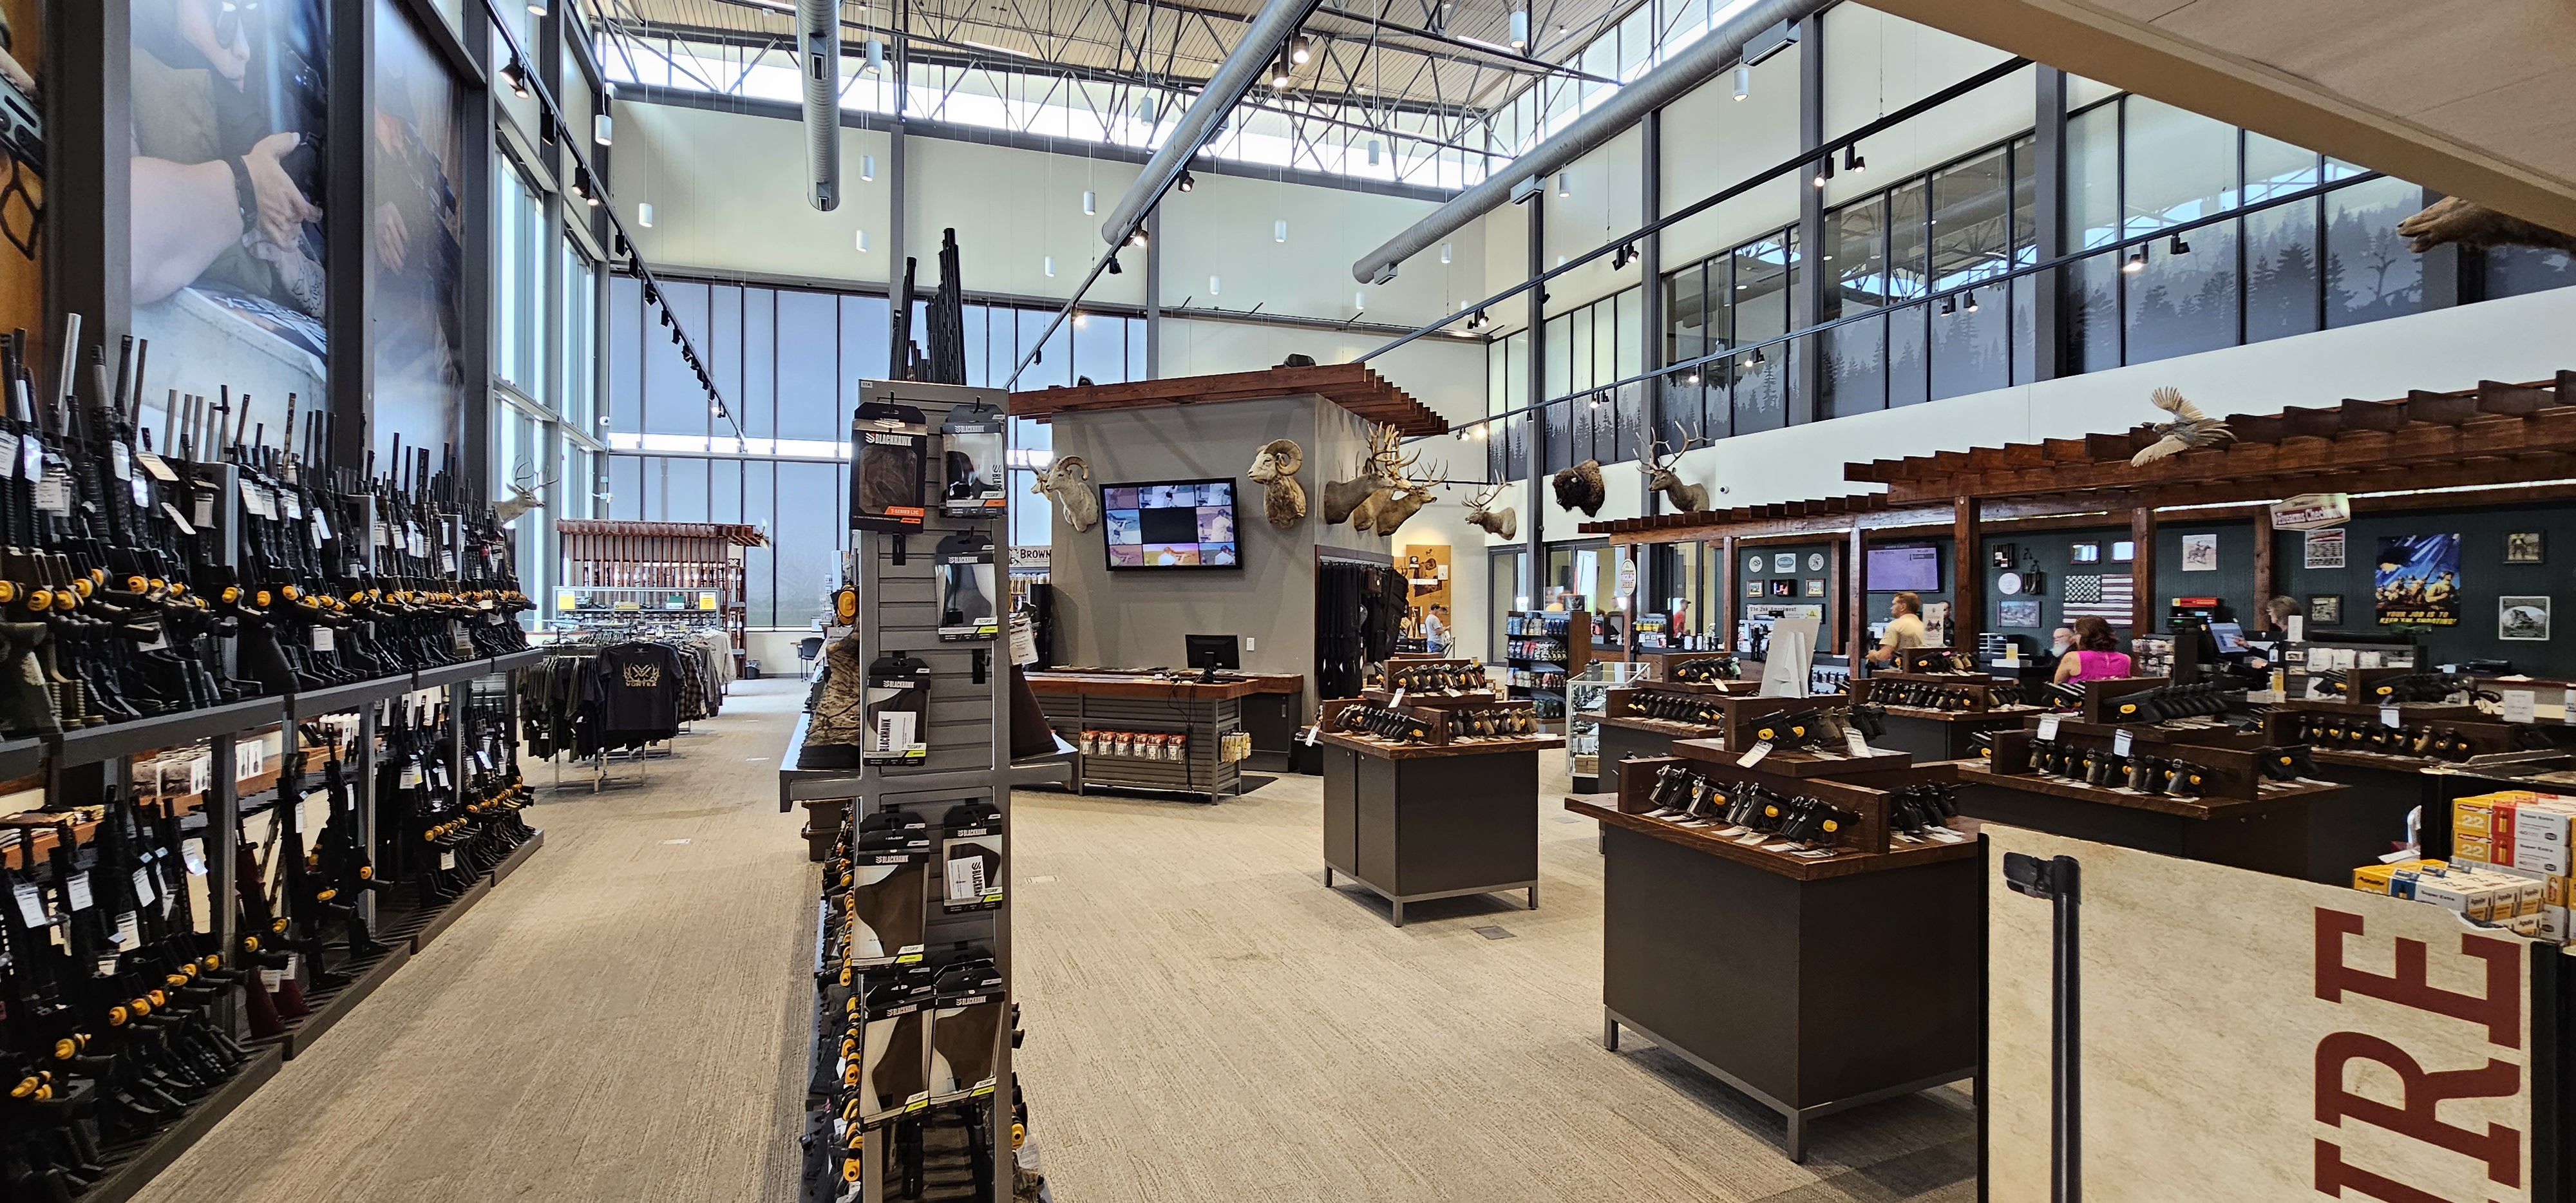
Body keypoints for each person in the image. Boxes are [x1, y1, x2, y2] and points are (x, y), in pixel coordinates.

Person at [2053, 616, 2134, 684]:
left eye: (2076, 633)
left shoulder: (2073, 657)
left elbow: (2056, 687)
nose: (2075, 637)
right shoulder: (2126, 659)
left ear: (2085, 635)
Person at [1866, 592, 1927, 666]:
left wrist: (1874, 655)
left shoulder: (1896, 625)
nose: (1891, 608)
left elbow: (1885, 655)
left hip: (1903, 670)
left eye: (1894, 604)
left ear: (1903, 607)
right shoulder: (1923, 626)